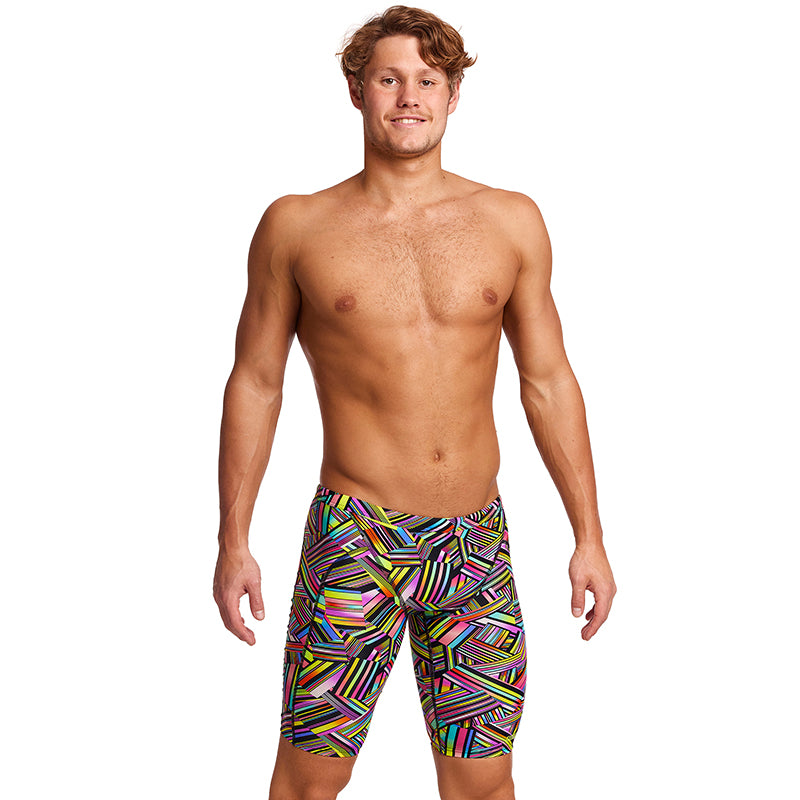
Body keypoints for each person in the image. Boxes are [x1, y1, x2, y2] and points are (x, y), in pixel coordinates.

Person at [213, 6, 616, 799]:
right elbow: (256, 381)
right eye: (389, 79)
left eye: (427, 81)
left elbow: (549, 380)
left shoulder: (510, 220)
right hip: (355, 537)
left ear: (453, 95)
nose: (408, 98)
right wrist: (233, 540)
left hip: (474, 545)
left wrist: (590, 536)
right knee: (309, 783)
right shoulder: (297, 226)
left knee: (484, 784)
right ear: (356, 91)